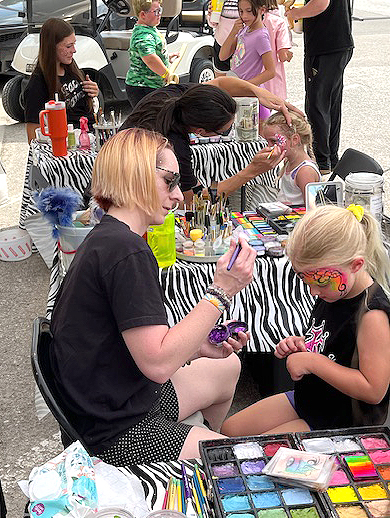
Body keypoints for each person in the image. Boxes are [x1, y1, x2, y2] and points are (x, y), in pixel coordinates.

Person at [50, 127, 257, 464]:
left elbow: (138, 344)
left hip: (118, 398)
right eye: (170, 181)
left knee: (228, 365)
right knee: (233, 459)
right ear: (137, 177)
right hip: (116, 433)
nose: (177, 196)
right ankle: (203, 466)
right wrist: (222, 290)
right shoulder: (126, 251)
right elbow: (158, 363)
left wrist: (196, 346)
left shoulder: (112, 237)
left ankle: (197, 450)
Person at [222, 205, 390, 437]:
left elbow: (374, 390)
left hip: (340, 421)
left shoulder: (373, 315)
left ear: (356, 265)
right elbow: (334, 343)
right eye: (305, 280)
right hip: (311, 399)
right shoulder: (334, 291)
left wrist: (311, 361)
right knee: (230, 430)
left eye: (320, 282)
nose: (312, 292)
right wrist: (302, 344)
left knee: (252, 450)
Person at [121, 76, 304, 203]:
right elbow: (190, 202)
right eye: (225, 131)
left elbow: (220, 83)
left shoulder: (182, 98)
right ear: (200, 131)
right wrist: (251, 171)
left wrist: (255, 91)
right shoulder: (173, 146)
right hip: (121, 191)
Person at [286, 0, 354, 175]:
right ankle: (330, 159)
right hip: (338, 43)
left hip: (326, 46)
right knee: (330, 104)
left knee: (317, 105)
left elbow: (321, 3)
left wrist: (296, 13)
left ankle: (322, 162)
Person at [24, 18, 99, 143]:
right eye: (68, 46)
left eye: (74, 44)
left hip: (90, 137)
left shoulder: (71, 67)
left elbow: (87, 104)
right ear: (51, 47)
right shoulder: (37, 84)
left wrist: (93, 91)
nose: (74, 50)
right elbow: (33, 134)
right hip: (68, 146)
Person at [220, 0, 275, 120]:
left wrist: (245, 86)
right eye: (241, 11)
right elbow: (222, 56)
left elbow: (271, 71)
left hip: (252, 99)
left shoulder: (261, 36)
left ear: (262, 10)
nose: (244, 16)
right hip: (240, 94)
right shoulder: (244, 30)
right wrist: (233, 31)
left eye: (249, 11)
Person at [125, 0, 177, 109]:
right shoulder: (143, 34)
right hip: (143, 88)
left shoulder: (150, 29)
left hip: (152, 86)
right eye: (156, 11)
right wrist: (167, 74)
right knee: (149, 121)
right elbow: (150, 59)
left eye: (160, 10)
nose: (160, 14)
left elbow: (153, 54)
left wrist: (166, 58)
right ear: (143, 14)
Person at [262, 111, 320, 205]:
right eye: (267, 141)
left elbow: (311, 208)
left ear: (294, 140)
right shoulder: (289, 162)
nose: (269, 146)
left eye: (274, 141)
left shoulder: (305, 171)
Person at [263, 0, 293, 100]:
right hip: (273, 82)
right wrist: (288, 55)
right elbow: (283, 55)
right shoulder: (278, 22)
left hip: (254, 80)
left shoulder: (251, 20)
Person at [207, 0, 239, 77]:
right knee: (221, 81)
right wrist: (210, 14)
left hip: (241, 45)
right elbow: (213, 23)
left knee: (241, 80)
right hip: (221, 42)